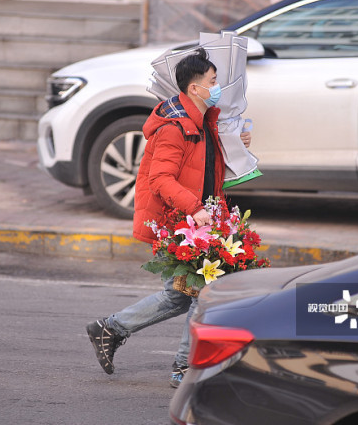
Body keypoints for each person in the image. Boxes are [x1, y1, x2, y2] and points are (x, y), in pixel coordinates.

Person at [86, 48, 252, 388]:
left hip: (198, 223)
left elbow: (207, 170)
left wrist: (236, 142)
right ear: (194, 88)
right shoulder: (174, 127)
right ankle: (183, 368)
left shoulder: (204, 121)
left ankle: (110, 328)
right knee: (201, 292)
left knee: (179, 296)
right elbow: (159, 180)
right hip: (177, 224)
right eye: (213, 80)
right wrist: (195, 209)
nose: (217, 85)